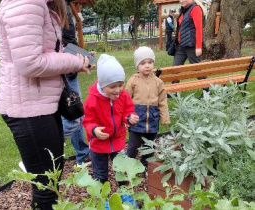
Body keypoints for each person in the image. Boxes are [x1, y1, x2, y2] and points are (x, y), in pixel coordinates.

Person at [0, 0, 91, 209]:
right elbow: (30, 63)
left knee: (51, 179)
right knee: (46, 188)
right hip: (28, 108)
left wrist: (76, 56)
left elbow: (49, 47)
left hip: (41, 103)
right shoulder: (27, 3)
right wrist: (75, 62)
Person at [82, 54, 139, 184]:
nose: (117, 90)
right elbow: (87, 121)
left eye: (120, 85)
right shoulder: (92, 100)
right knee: (100, 174)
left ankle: (125, 195)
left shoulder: (123, 95)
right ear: (102, 85)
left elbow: (127, 109)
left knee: (122, 171)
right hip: (98, 144)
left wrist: (129, 117)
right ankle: (104, 199)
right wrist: (94, 130)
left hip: (117, 140)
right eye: (112, 87)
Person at [125, 46, 170, 174]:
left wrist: (164, 117)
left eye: (150, 62)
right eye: (143, 63)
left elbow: (162, 100)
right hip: (136, 121)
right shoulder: (133, 81)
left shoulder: (158, 82)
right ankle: (129, 166)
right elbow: (126, 100)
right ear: (137, 65)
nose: (147, 66)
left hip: (152, 120)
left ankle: (145, 165)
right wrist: (126, 116)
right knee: (133, 146)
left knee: (149, 146)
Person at [61, 1, 90, 166]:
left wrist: (81, 56)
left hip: (69, 67)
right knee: (73, 115)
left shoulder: (64, 6)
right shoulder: (49, 7)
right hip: (59, 68)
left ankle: (82, 155)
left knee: (76, 112)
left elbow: (69, 40)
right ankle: (51, 148)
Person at [173, 0, 209, 95]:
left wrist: (198, 47)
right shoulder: (185, 10)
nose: (181, 1)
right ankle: (174, 90)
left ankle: (206, 90)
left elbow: (199, 28)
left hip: (191, 45)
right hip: (181, 46)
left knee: (197, 69)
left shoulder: (195, 8)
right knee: (175, 68)